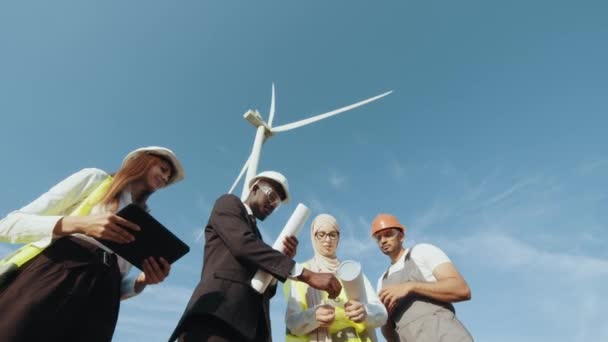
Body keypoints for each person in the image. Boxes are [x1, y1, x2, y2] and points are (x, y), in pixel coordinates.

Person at [0, 146, 185, 342]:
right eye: (163, 169)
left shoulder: (144, 220)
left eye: (168, 178)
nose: (165, 179)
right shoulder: (95, 179)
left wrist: (141, 281)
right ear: (141, 161)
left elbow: (116, 283)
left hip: (104, 301)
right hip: (56, 274)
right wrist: (79, 224)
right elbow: (7, 225)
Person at [170, 171, 342, 342]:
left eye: (277, 203)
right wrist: (306, 274)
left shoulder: (257, 238)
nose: (273, 204)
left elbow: (264, 288)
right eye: (271, 195)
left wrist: (281, 260)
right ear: (254, 188)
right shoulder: (228, 203)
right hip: (217, 317)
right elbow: (243, 245)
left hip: (250, 329)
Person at [284, 213, 387, 342]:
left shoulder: (352, 272)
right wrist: (313, 316)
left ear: (338, 238)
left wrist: (366, 312)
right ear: (313, 237)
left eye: (333, 234)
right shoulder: (302, 273)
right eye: (321, 234)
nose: (328, 240)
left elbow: (381, 313)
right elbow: (292, 322)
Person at [372, 214, 473, 342]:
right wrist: (385, 318)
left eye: (388, 234)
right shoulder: (382, 281)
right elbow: (390, 336)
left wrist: (411, 286)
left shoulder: (422, 252)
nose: (383, 241)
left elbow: (462, 289)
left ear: (401, 236)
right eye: (378, 237)